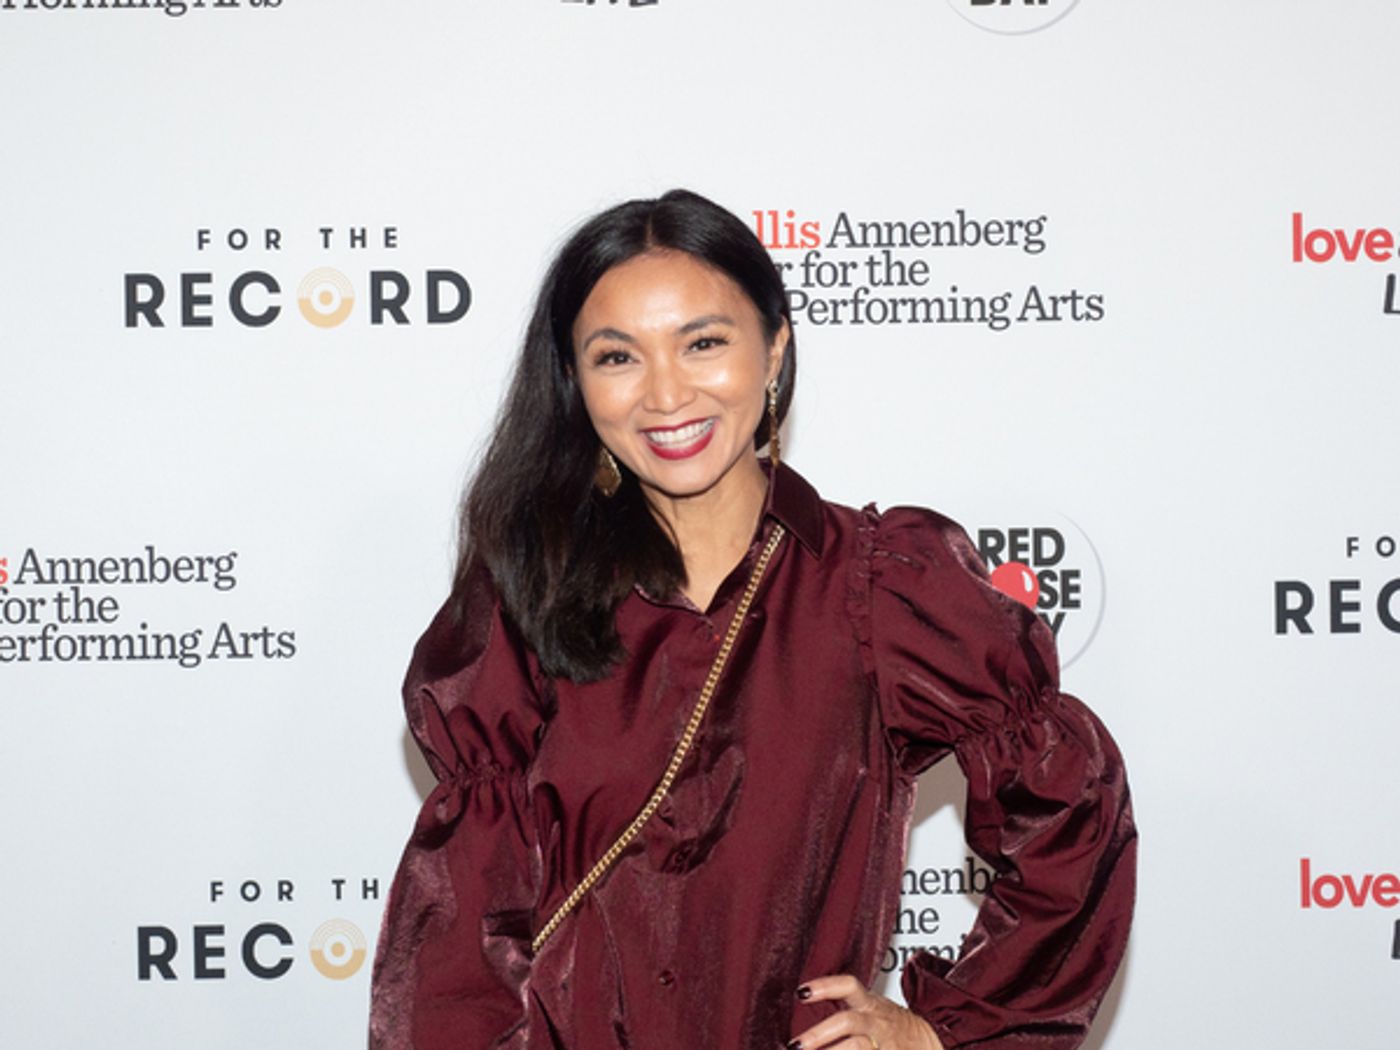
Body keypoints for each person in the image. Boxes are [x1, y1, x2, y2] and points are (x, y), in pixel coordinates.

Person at [369, 189, 1136, 1050]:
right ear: (575, 382)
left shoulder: (881, 587)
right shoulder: (524, 600)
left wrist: (942, 1030)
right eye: (617, 357)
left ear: (773, 349)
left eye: (703, 343)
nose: (666, 394)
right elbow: (459, 941)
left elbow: (1070, 810)